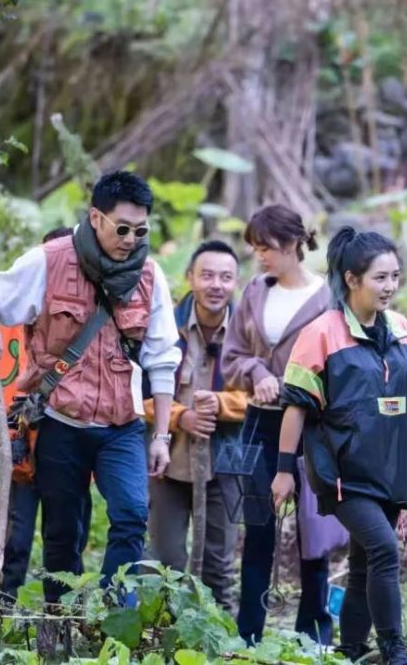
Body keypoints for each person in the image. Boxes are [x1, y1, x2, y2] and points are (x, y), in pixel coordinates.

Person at [0, 171, 181, 610]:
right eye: (122, 228)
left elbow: (163, 357)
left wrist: (161, 435)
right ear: (96, 218)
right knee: (63, 533)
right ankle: (58, 618)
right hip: (60, 424)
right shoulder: (49, 260)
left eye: (141, 230)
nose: (131, 238)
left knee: (131, 515)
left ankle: (110, 613)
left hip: (121, 426)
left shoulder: (150, 275)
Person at [272, 227, 407, 665]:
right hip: (341, 470)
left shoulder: (400, 328)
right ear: (351, 279)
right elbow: (296, 407)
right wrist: (285, 470)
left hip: (392, 468)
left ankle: (349, 651)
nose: (390, 287)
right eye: (380, 278)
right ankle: (394, 651)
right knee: (384, 549)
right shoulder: (320, 333)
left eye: (395, 277)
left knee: (364, 565)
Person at [220, 204, 334, 645]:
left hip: (314, 431)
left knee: (313, 531)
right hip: (256, 424)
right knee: (256, 528)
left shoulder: (328, 300)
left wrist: (294, 387)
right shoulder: (253, 291)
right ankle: (247, 633)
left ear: (291, 245)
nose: (260, 257)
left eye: (265, 247)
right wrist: (257, 372)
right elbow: (231, 358)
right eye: (255, 249)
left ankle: (315, 636)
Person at [0, 225, 94, 601]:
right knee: (13, 541)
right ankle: (2, 610)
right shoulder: (1, 325)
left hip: (68, 454)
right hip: (18, 455)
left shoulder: (89, 324)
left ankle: (64, 614)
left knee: (69, 538)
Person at [143, 240, 248, 611]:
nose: (215, 285)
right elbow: (137, 393)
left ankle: (221, 637)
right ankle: (164, 634)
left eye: (225, 277)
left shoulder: (247, 333)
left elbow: (265, 395)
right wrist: (179, 416)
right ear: (190, 278)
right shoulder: (163, 326)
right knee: (166, 561)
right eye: (206, 275)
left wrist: (222, 404)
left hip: (226, 464)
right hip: (168, 461)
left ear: (236, 282)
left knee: (219, 565)